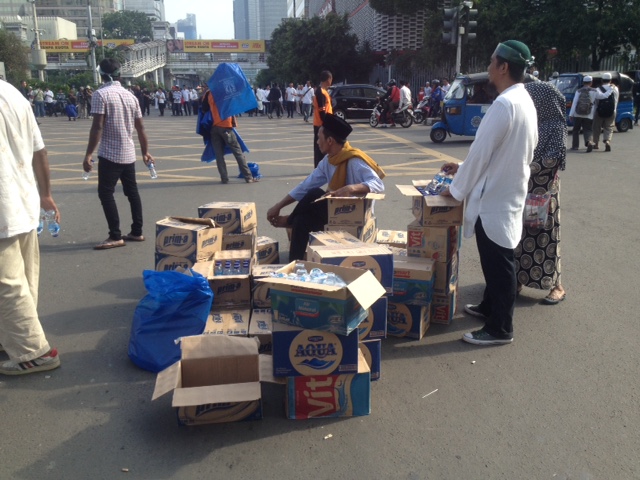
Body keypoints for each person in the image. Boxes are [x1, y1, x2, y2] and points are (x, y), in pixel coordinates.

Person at [440, 40, 538, 346]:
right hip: (505, 192)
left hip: (496, 198)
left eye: (492, 61)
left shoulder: (504, 105)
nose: (489, 67)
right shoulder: (523, 100)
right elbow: (496, 152)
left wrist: (455, 191)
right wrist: (463, 167)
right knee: (494, 259)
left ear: (503, 67)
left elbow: (482, 153)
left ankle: (500, 328)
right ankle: (488, 306)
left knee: (499, 264)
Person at [0, 80, 61, 375]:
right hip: (23, 202)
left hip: (4, 208)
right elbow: (41, 151)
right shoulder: (11, 93)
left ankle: (33, 353)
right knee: (23, 279)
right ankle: (13, 338)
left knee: (7, 285)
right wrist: (45, 194)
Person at [266, 114, 385, 261]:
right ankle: (294, 263)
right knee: (301, 220)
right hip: (335, 214)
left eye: (319, 138)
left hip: (355, 216)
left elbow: (378, 184)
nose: (317, 142)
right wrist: (279, 205)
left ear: (329, 141)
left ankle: (288, 221)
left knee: (315, 193)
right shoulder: (328, 161)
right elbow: (305, 186)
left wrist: (352, 188)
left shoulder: (354, 160)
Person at [83, 59, 154, 250]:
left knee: (106, 193)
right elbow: (141, 128)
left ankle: (115, 235)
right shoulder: (130, 96)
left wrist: (89, 153)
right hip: (128, 153)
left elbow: (98, 126)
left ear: (103, 75)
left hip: (110, 154)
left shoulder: (100, 94)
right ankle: (137, 231)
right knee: (132, 192)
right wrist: (145, 152)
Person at [517, 81, 567, 304]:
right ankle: (518, 279)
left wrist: (521, 169)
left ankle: (556, 286)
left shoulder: (556, 127)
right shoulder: (529, 123)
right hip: (523, 190)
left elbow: (551, 161)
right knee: (521, 237)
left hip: (543, 194)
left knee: (545, 239)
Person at [201, 88, 256, 184]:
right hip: (226, 126)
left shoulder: (209, 93)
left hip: (214, 127)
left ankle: (224, 178)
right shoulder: (226, 92)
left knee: (219, 155)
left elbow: (204, 108)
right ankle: (248, 177)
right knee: (237, 152)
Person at [568, 75, 596, 152]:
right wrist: (610, 89)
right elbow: (602, 97)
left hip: (578, 113)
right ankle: (589, 142)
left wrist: (571, 114)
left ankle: (575, 146)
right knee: (587, 129)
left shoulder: (578, 91)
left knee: (576, 130)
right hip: (589, 114)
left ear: (583, 82)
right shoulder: (594, 91)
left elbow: (574, 103)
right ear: (591, 82)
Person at [592, 72, 619, 152]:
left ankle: (596, 144)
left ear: (602, 80)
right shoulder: (615, 89)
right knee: (609, 127)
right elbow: (616, 100)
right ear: (610, 80)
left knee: (596, 127)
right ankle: (607, 141)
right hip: (611, 111)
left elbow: (596, 102)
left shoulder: (597, 89)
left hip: (599, 112)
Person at [313, 71, 333, 167]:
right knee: (320, 148)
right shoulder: (320, 92)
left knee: (323, 148)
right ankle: (319, 168)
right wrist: (326, 125)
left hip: (322, 123)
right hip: (321, 124)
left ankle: (321, 167)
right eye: (331, 79)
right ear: (328, 79)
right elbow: (322, 111)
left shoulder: (324, 91)